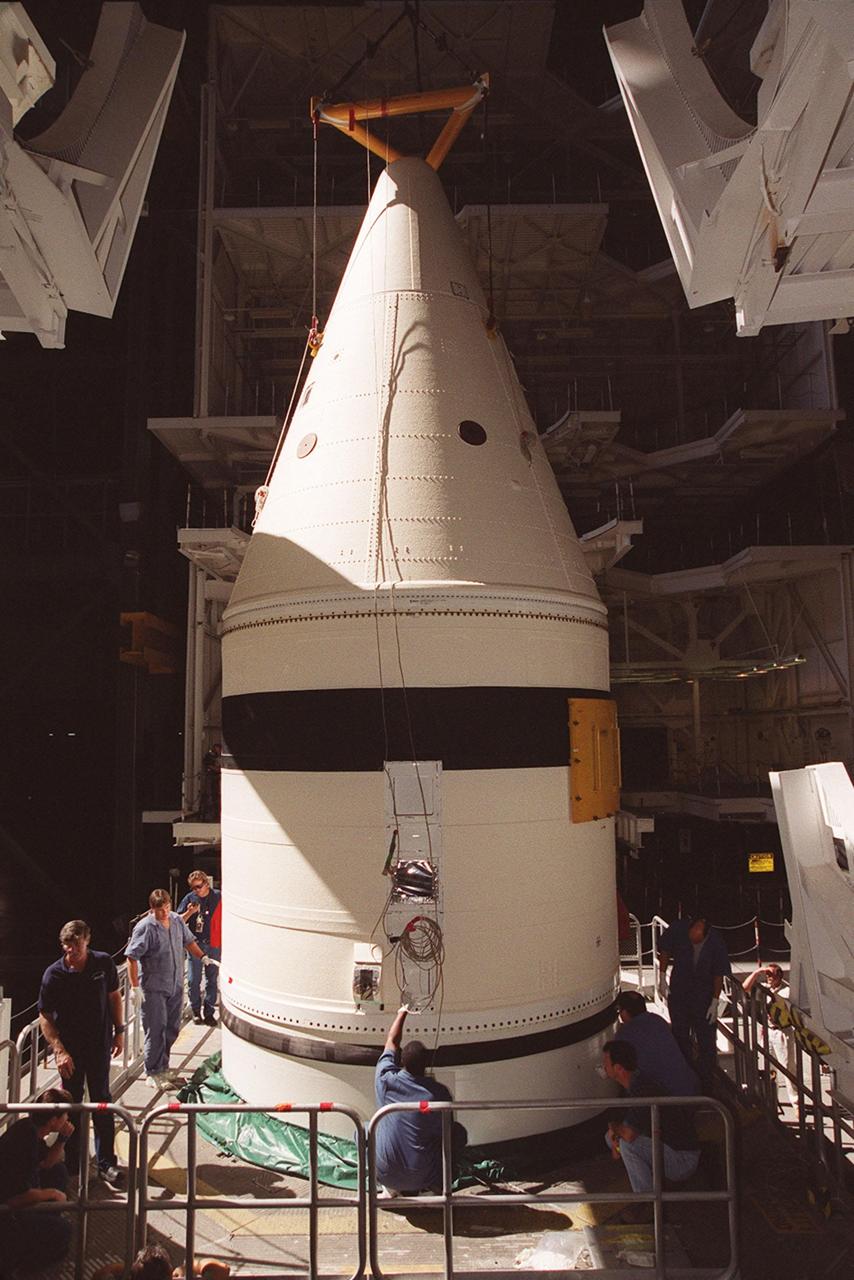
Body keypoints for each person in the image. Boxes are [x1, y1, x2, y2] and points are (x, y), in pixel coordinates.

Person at [38, 919, 124, 1184]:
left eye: (75, 945)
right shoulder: (54, 974)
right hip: (71, 1052)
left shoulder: (103, 963)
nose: (70, 951)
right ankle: (72, 1162)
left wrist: (119, 1030)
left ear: (87, 941)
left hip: (98, 1046)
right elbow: (44, 1015)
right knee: (70, 1106)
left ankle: (106, 1162)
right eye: (66, 946)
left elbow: (114, 996)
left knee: (102, 1102)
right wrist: (59, 1050)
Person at [374, 1006, 466, 1195]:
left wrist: (402, 1012)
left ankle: (388, 1188)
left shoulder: (385, 1081)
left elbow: (392, 1041)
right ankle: (436, 1188)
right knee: (456, 1133)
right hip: (422, 1175)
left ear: (401, 1063)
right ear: (426, 1067)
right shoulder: (438, 1094)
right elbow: (444, 1132)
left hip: (386, 1173)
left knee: (364, 1130)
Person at [126, 889, 209, 1088]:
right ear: (151, 909)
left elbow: (188, 941)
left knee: (172, 1028)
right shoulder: (145, 927)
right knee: (155, 1029)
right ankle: (153, 1071)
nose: (164, 913)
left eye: (166, 908)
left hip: (175, 984)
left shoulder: (176, 921)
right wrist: (134, 988)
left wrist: (203, 957)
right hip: (154, 987)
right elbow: (131, 957)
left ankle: (163, 1067)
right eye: (159, 910)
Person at [603, 1039, 700, 1203]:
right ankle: (649, 1188)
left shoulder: (642, 1091)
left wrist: (615, 1132)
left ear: (618, 1068)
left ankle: (646, 1201)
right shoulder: (637, 1083)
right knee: (613, 1138)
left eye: (606, 1063)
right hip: (670, 1148)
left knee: (628, 1145)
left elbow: (628, 1134)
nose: (603, 1067)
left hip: (682, 1159)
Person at [0, 1088, 74, 1271]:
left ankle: (44, 1221)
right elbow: (16, 1197)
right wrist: (52, 1194)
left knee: (58, 1171)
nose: (68, 1119)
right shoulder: (25, 1141)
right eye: (65, 1116)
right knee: (64, 1231)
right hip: (8, 1211)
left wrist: (63, 1138)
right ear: (53, 1121)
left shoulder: (30, 1128)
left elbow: (47, 1164)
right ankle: (20, 1266)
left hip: (17, 1196)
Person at [658, 914, 732, 1087]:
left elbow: (718, 974)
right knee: (680, 1036)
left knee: (706, 1043)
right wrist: (662, 976)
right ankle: (682, 1079)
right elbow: (665, 949)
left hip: (703, 997)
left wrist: (714, 1001)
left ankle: (706, 1083)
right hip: (680, 994)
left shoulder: (715, 942)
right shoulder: (678, 929)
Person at [614, 990, 700, 1096]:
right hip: (692, 1091)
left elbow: (618, 1067)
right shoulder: (658, 1020)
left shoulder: (625, 1034)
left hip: (669, 1101)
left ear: (625, 1012)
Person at [742, 963, 798, 1109]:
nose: (769, 978)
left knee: (787, 1067)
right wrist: (756, 973)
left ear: (780, 976)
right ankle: (771, 1098)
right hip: (768, 1031)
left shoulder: (786, 991)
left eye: (771, 975)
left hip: (782, 1031)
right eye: (767, 975)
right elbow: (744, 988)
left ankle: (796, 1102)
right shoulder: (764, 989)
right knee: (767, 1067)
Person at [177, 871, 222, 1026]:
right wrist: (190, 912)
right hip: (195, 944)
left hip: (214, 944)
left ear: (206, 884)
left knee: (212, 978)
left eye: (199, 886)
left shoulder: (218, 896)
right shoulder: (190, 899)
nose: (196, 890)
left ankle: (209, 1012)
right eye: (193, 887)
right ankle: (196, 1010)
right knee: (193, 979)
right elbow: (178, 921)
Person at [201, 743, 222, 820]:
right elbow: (208, 765)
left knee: (216, 795)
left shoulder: (219, 757)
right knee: (210, 795)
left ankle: (216, 813)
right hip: (211, 777)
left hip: (217, 778)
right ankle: (210, 814)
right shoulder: (210, 756)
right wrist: (215, 768)